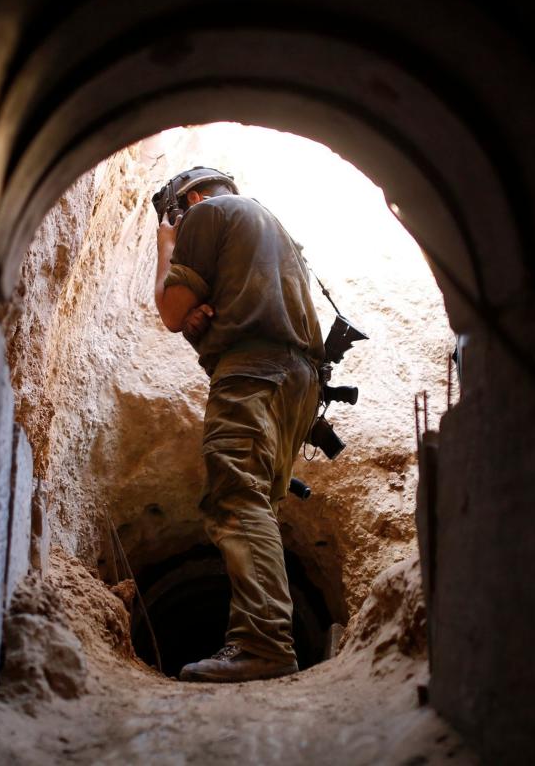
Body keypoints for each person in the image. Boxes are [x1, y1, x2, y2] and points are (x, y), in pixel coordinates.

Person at [152, 166, 325, 683]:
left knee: (235, 498)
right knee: (259, 506)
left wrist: (166, 245)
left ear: (193, 198)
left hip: (251, 372)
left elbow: (169, 308)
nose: (180, 227)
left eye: (176, 217)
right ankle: (258, 636)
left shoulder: (207, 213)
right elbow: (199, 311)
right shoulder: (275, 230)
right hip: (297, 384)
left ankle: (263, 643)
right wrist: (202, 315)